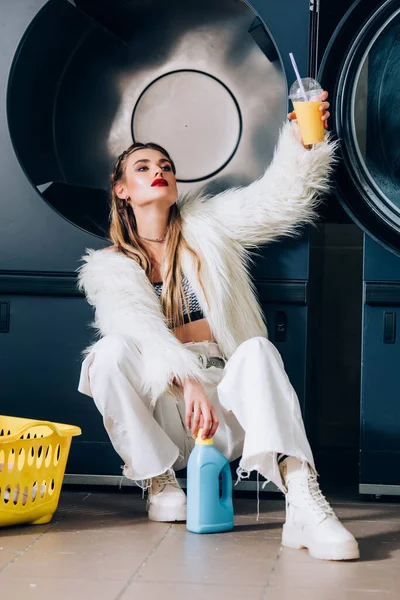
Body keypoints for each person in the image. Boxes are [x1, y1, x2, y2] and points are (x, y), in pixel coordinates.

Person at [77, 93, 359, 561]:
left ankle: (303, 502)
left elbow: (281, 200)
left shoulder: (210, 225)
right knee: (107, 355)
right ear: (122, 189)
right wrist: (187, 382)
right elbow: (140, 336)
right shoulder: (108, 268)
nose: (158, 169)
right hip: (168, 403)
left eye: (164, 163)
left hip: (227, 396)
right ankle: (159, 481)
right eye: (143, 166)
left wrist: (303, 140)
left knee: (258, 352)